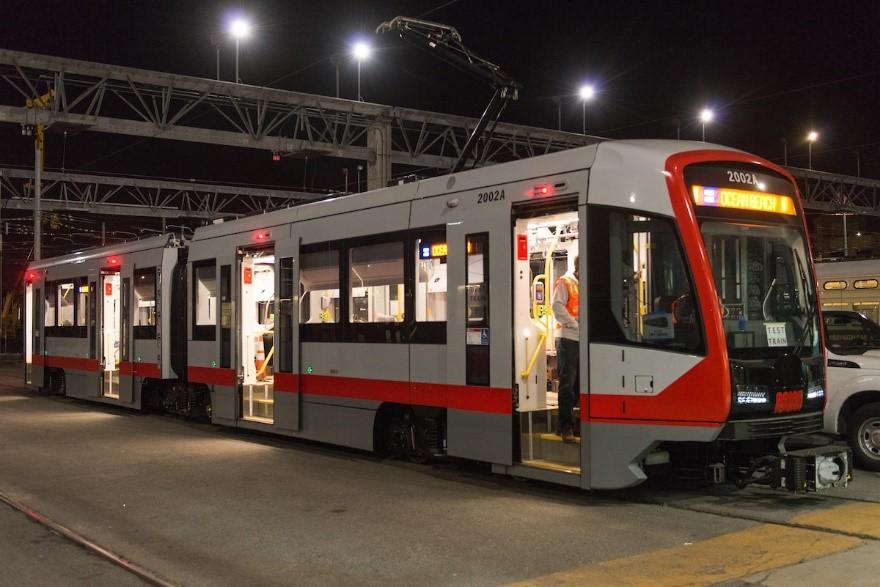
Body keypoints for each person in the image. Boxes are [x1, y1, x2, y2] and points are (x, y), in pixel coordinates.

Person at [552, 255, 580, 443]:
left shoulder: (581, 284)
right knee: (567, 384)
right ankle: (565, 427)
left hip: (579, 339)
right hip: (567, 337)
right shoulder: (565, 282)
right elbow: (556, 306)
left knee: (577, 385)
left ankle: (571, 424)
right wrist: (574, 324)